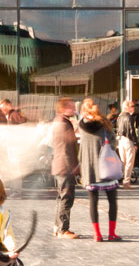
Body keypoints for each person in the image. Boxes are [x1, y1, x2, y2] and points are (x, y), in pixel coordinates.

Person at [77, 96, 122, 242]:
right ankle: (112, 233)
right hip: (107, 167)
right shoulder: (105, 124)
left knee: (93, 202)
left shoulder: (81, 125)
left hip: (90, 168)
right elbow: (113, 142)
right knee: (112, 201)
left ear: (83, 110)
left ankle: (97, 234)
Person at [48, 98, 80, 239]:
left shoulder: (59, 121)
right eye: (71, 107)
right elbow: (68, 146)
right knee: (66, 197)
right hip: (65, 165)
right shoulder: (63, 124)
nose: (74, 109)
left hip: (60, 164)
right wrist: (74, 166)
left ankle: (57, 227)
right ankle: (63, 229)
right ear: (63, 109)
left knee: (61, 197)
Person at [115, 102, 139, 188]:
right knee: (129, 162)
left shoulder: (119, 117)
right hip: (128, 140)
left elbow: (118, 129)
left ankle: (123, 179)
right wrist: (135, 142)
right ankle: (126, 181)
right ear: (127, 107)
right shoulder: (129, 117)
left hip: (121, 140)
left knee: (123, 161)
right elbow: (132, 131)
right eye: (132, 106)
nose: (133, 108)